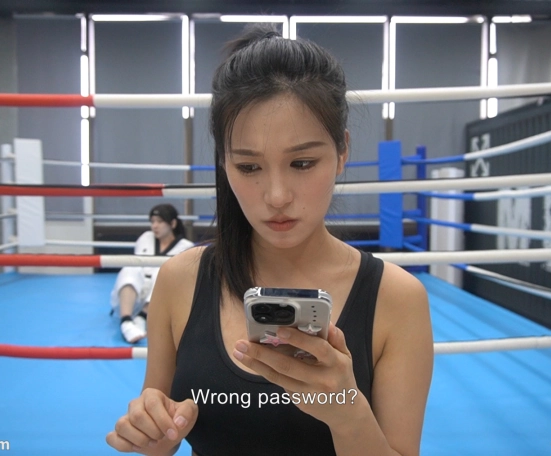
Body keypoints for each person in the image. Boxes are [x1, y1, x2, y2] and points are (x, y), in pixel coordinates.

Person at [107, 25, 433, 455]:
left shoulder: (397, 299)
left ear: (342, 152)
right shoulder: (180, 280)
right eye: (249, 167)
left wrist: (348, 414)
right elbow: (159, 439)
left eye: (302, 162)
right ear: (224, 163)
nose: (277, 196)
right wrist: (150, 431)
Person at [110, 204, 195, 343]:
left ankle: (142, 317)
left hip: (160, 304)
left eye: (160, 222)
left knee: (165, 273)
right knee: (130, 268)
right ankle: (126, 322)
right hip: (133, 298)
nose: (155, 226)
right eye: (152, 221)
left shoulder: (186, 247)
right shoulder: (145, 238)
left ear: (173, 223)